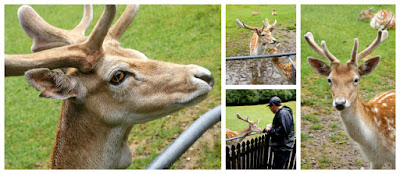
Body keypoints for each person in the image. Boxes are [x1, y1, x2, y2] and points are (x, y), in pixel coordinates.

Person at [262, 96, 295, 169]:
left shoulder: (283, 113)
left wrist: (269, 131)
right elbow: (282, 128)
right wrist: (273, 129)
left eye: (270, 107)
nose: (270, 109)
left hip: (282, 148)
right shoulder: (283, 113)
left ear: (273, 105)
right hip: (282, 147)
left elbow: (282, 132)